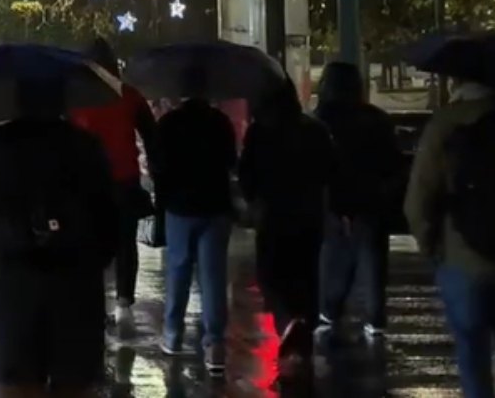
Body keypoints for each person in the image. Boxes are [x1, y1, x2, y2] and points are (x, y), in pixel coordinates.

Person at [0, 78, 119, 398]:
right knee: (74, 381)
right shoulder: (86, 145)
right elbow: (110, 215)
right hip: (76, 283)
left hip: (16, 282)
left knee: (20, 381)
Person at [405, 78, 495, 398]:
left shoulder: (446, 123)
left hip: (462, 257)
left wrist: (431, 247)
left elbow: (418, 201)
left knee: (472, 353)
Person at [239, 78, 335, 366]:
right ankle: (304, 329)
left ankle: (288, 322)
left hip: (273, 214)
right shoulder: (316, 129)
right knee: (306, 275)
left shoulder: (260, 131)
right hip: (309, 214)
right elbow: (330, 171)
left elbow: (247, 174)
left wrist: (252, 199)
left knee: (271, 275)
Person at [71, 36, 158, 330]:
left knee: (89, 247)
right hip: (124, 181)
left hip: (86, 186)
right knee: (125, 245)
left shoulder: (76, 99)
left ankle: (94, 306)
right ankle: (123, 306)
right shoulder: (129, 95)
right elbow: (152, 136)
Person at [313, 61, 403, 339]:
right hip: (373, 202)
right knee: (373, 262)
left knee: (334, 264)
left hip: (335, 205)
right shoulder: (377, 120)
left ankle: (330, 311)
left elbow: (319, 167)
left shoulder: (321, 121)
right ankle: (375, 318)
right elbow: (393, 165)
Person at [153, 96, 238, 373]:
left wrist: (162, 203)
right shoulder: (220, 122)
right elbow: (231, 161)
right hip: (216, 207)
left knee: (178, 269)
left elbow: (159, 167)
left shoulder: (169, 123)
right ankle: (215, 345)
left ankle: (172, 334)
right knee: (213, 276)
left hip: (179, 207)